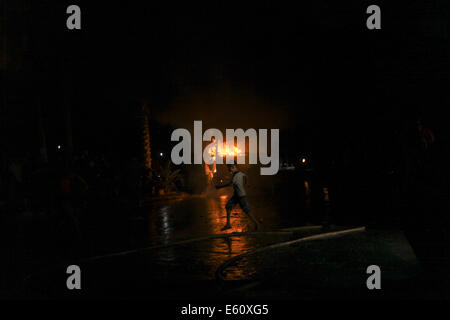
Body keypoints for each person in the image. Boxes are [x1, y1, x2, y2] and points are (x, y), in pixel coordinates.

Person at [215, 164, 261, 231]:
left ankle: (257, 224)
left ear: (233, 167)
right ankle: (228, 224)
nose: (228, 170)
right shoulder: (240, 173)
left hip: (241, 196)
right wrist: (247, 183)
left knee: (247, 211)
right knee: (228, 207)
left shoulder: (236, 176)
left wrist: (219, 187)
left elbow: (230, 184)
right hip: (236, 195)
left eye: (229, 168)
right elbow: (246, 176)